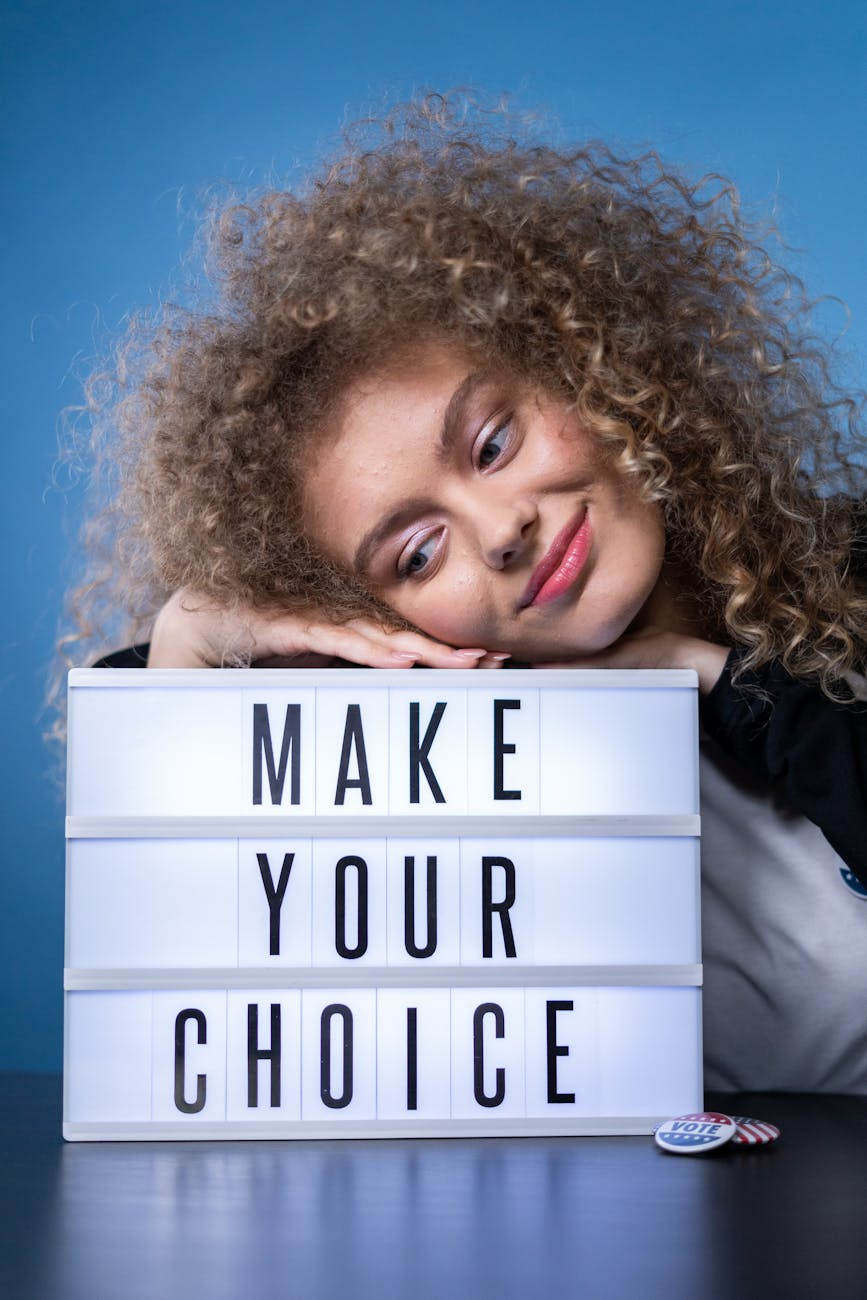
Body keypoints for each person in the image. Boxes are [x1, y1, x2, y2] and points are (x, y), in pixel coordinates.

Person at [71, 96, 867, 1093]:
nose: (500, 532)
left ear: (592, 370)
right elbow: (197, 1017)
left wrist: (712, 674)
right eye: (416, 554)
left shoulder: (851, 568)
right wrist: (191, 640)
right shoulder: (429, 770)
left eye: (494, 444)